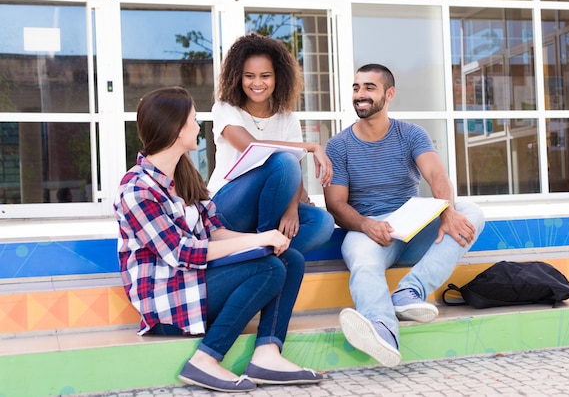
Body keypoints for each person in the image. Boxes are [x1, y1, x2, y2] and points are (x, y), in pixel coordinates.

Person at [113, 87, 323, 393]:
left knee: (288, 259)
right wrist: (258, 240)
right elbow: (183, 252)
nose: (199, 126)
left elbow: (212, 230)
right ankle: (205, 359)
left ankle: (268, 353)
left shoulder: (183, 177)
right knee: (269, 269)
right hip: (168, 303)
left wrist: (262, 241)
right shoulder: (137, 188)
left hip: (195, 284)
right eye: (194, 120)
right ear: (175, 128)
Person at [323, 64, 485, 368]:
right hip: (366, 228)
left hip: (412, 223)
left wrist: (447, 211)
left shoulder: (410, 134)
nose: (360, 94)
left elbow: (437, 175)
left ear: (389, 94)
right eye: (357, 87)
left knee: (470, 213)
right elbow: (336, 205)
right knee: (364, 262)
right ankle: (383, 331)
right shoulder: (339, 145)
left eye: (369, 88)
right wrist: (366, 225)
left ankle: (409, 292)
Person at [207, 33, 334, 254]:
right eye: (249, 76)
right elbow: (252, 148)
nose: (257, 83)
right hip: (226, 207)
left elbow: (294, 173)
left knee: (321, 223)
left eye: (265, 75)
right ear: (238, 77)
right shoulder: (225, 109)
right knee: (283, 159)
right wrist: (312, 146)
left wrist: (292, 209)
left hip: (270, 205)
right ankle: (265, 241)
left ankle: (262, 254)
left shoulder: (287, 118)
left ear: (277, 78)